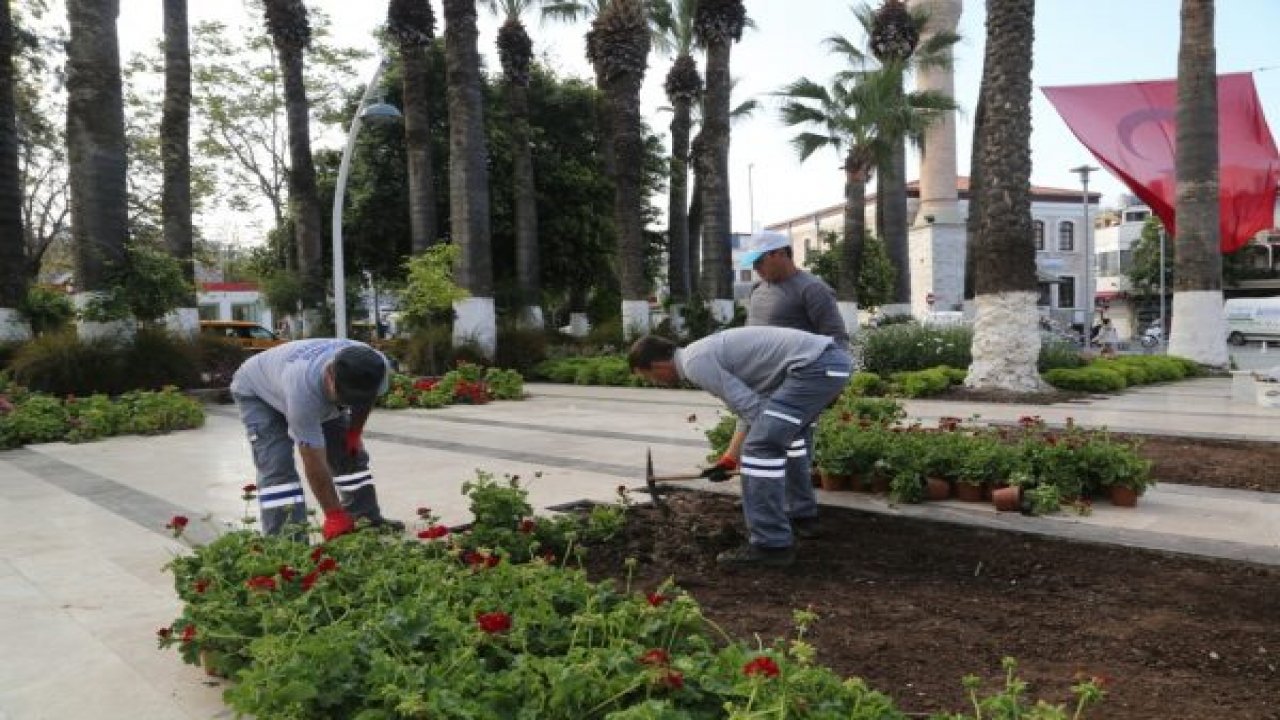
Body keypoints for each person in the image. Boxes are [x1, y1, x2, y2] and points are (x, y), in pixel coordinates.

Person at [628, 327, 853, 568]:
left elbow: (751, 409)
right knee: (789, 440)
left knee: (761, 448)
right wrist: (729, 459)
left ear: (657, 366)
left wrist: (758, 448)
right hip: (826, 363)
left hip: (813, 368)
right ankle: (801, 517)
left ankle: (770, 544)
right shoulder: (703, 353)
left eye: (648, 377)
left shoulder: (695, 363)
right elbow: (750, 407)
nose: (656, 383)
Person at [733, 230, 849, 534]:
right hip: (762, 385)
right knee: (767, 445)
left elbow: (837, 339)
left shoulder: (812, 290)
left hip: (798, 386)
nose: (755, 268)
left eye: (759, 261)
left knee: (793, 447)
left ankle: (801, 513)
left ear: (779, 254)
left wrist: (834, 386)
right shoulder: (758, 289)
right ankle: (774, 502)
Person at [230, 338, 402, 540]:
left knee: (349, 453)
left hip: (302, 385)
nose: (348, 403)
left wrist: (354, 433)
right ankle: (286, 541)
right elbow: (313, 460)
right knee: (278, 467)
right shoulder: (303, 391)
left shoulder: (375, 367)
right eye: (345, 396)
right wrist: (334, 514)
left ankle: (365, 519)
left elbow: (366, 401)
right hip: (258, 391)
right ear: (330, 374)